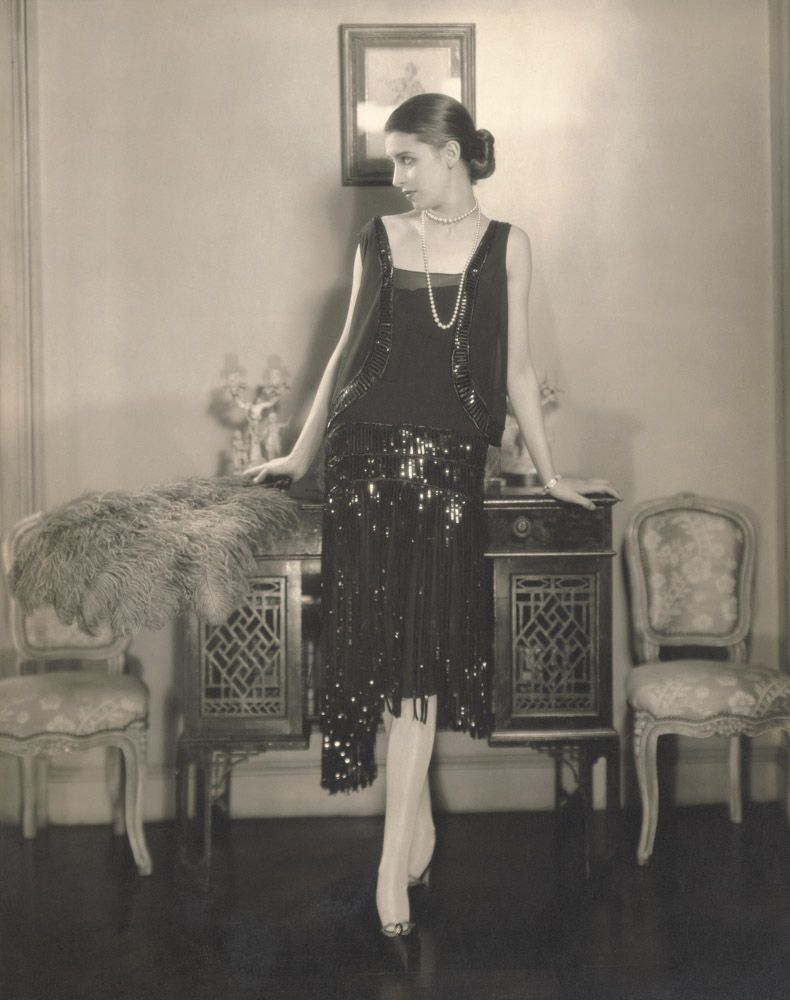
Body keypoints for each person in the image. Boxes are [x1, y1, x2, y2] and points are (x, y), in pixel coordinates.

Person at [244, 93, 618, 946]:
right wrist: (300, 455)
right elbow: (343, 356)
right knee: (384, 650)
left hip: (447, 467)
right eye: (393, 162)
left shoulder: (509, 244)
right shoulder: (379, 237)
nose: (399, 176)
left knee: (421, 656)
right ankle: (408, 836)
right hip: (362, 459)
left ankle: (392, 859)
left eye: (409, 158)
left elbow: (517, 369)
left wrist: (550, 471)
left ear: (452, 154)